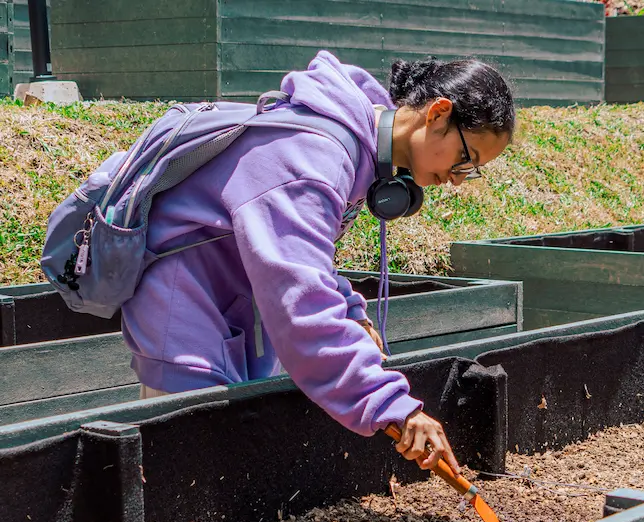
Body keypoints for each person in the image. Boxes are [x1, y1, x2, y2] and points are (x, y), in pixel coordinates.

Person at [119, 51, 515, 473]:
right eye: (465, 159)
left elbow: (302, 257)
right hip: (186, 321)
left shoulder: (353, 152)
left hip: (234, 309)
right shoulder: (312, 159)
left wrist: (349, 310)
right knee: (188, 482)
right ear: (437, 114)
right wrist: (391, 405)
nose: (457, 179)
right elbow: (299, 299)